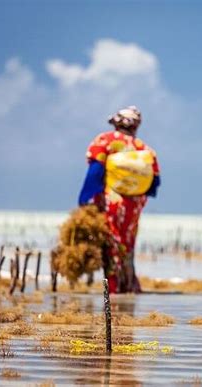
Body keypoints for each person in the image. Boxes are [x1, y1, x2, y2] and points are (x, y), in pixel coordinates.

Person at [78, 106, 160, 294]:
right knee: (127, 245)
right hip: (134, 206)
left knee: (112, 244)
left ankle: (113, 289)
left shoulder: (104, 141)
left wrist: (84, 199)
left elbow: (95, 172)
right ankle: (129, 286)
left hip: (111, 202)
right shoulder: (145, 149)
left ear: (116, 123)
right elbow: (154, 184)